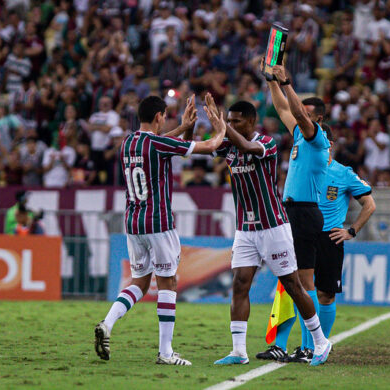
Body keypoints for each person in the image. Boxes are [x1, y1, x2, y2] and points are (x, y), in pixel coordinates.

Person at [94, 95, 225, 366]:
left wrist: (181, 127)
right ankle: (165, 352)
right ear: (158, 117)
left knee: (139, 282)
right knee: (168, 283)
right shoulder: (158, 143)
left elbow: (160, 142)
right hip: (158, 222)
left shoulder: (127, 143)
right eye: (164, 117)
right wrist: (221, 127)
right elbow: (211, 145)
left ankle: (107, 324)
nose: (165, 121)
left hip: (133, 222)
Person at [203, 95, 331, 367]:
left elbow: (247, 146)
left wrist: (224, 129)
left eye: (236, 121)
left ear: (251, 121)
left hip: (273, 226)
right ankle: (239, 351)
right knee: (239, 284)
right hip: (245, 229)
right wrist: (192, 129)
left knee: (293, 286)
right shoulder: (229, 145)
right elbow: (209, 146)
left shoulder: (267, 144)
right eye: (229, 120)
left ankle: (320, 342)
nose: (231, 124)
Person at [258, 125, 376, 361]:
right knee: (293, 288)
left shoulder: (343, 173)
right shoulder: (305, 168)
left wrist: (351, 230)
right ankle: (287, 345)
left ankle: (315, 346)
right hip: (301, 232)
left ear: (327, 145)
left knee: (326, 294)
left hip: (329, 237)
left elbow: (369, 204)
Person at [257, 62, 330, 363]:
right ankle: (297, 344)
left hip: (304, 213)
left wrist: (287, 81)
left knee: (303, 282)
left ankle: (311, 345)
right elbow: (284, 108)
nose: (301, 113)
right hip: (293, 211)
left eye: (308, 112)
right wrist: (272, 81)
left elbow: (297, 111)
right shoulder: (301, 135)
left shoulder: (317, 137)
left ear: (319, 118)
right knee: (293, 281)